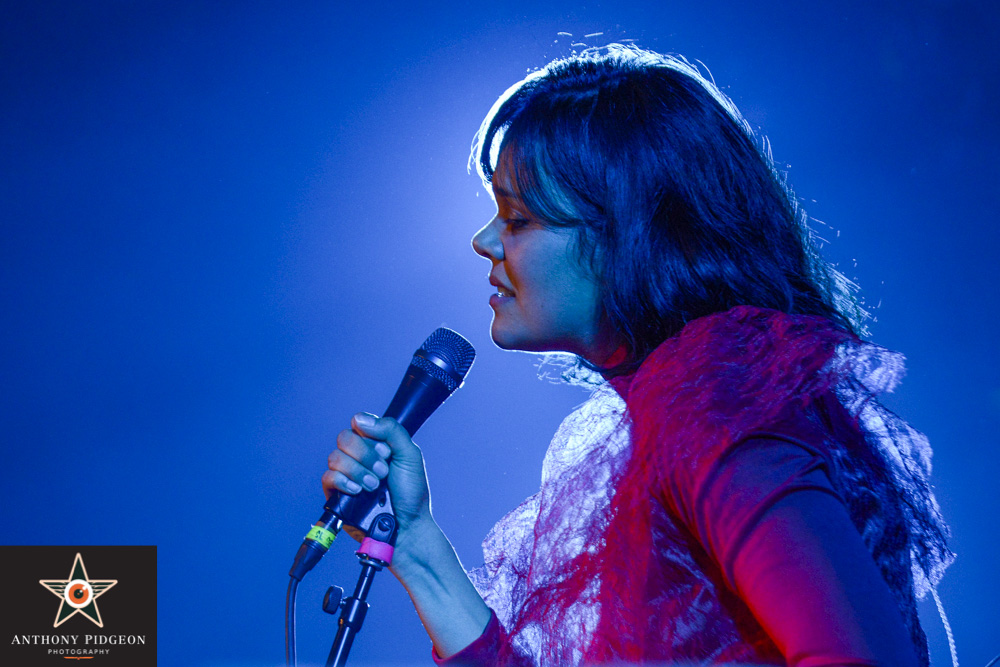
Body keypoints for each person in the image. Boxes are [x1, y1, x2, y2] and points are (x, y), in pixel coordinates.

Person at [322, 44, 954, 665]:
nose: (483, 240)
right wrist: (415, 547)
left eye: (517, 219)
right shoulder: (683, 412)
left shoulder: (718, 417)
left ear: (627, 236)